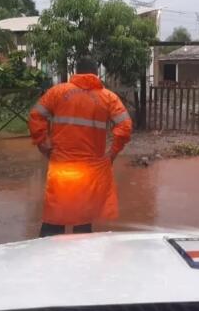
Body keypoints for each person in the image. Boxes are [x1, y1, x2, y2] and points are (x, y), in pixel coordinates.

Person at [28, 56, 133, 237]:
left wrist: (42, 143)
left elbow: (35, 116)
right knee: (84, 219)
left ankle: (48, 249)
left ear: (76, 72)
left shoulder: (57, 92)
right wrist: (112, 154)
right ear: (95, 73)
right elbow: (125, 127)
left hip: (61, 165)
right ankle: (82, 251)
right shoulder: (108, 97)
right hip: (91, 169)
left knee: (55, 214)